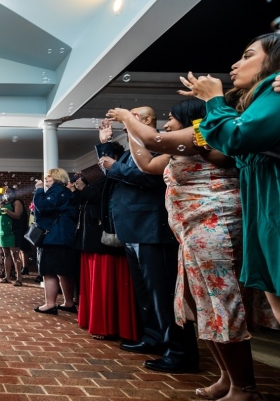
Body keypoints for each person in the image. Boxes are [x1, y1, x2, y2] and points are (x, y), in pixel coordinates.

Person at [180, 31, 280, 401]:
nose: (235, 64)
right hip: (277, 209)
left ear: (278, 58)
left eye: (247, 55)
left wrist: (212, 100)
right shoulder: (274, 92)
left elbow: (236, 139)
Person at [108, 98, 266, 401]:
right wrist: (130, 130)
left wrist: (127, 117)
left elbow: (153, 141)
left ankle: (246, 390)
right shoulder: (184, 147)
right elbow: (147, 164)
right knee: (204, 306)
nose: (166, 125)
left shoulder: (206, 136)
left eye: (169, 119)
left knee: (223, 306)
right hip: (193, 232)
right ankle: (228, 378)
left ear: (191, 120)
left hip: (215, 224)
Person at [99, 109, 198, 374]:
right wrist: (107, 144)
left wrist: (115, 167)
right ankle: (154, 337)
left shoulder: (158, 144)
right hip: (133, 228)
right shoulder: (136, 146)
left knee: (163, 293)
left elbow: (149, 177)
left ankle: (179, 350)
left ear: (145, 120)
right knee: (145, 291)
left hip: (152, 228)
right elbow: (112, 167)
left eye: (132, 114)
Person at [73, 164, 139, 342]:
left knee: (106, 283)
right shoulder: (99, 182)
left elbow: (95, 196)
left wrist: (84, 188)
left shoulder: (110, 180)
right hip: (90, 240)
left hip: (105, 240)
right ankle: (93, 319)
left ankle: (108, 324)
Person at [32, 168, 79, 315]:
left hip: (54, 238)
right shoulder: (68, 193)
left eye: (49, 177)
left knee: (49, 271)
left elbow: (42, 206)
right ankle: (68, 302)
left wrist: (39, 190)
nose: (45, 179)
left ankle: (50, 304)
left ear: (57, 178)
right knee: (64, 272)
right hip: (66, 237)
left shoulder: (56, 191)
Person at [0, 191, 24, 286]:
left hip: (13, 232)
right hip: (3, 232)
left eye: (9, 192)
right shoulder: (2, 204)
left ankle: (19, 278)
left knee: (15, 255)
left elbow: (17, 216)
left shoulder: (16, 202)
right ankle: (7, 277)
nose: (6, 193)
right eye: (5, 192)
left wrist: (7, 211)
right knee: (6, 255)